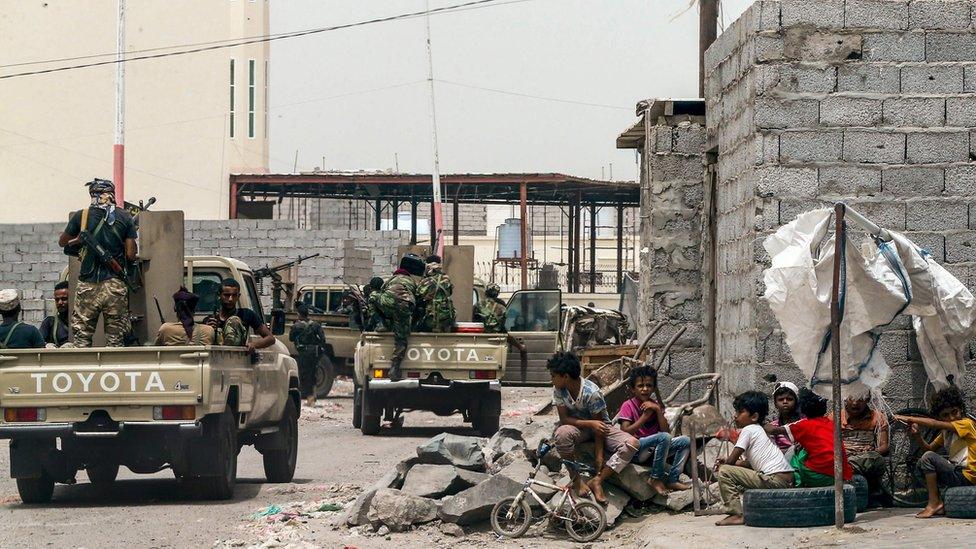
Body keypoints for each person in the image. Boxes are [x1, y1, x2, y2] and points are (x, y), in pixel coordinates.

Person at [548, 351, 638, 505]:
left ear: (565, 377)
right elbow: (564, 419)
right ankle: (576, 479)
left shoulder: (592, 392)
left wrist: (599, 455)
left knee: (632, 443)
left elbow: (600, 428)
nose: (552, 379)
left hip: (601, 428)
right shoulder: (559, 390)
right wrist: (589, 423)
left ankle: (598, 480)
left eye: (553, 375)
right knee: (561, 434)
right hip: (579, 427)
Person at [58, 178, 138, 347]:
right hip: (115, 284)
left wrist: (78, 240)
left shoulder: (82, 216)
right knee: (115, 340)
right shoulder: (125, 216)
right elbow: (131, 255)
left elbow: (63, 242)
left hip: (87, 285)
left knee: (82, 339)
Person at [714, 390, 795, 526]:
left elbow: (731, 462)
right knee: (728, 468)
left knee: (724, 471)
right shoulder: (758, 430)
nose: (735, 416)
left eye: (740, 412)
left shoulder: (749, 429)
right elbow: (753, 464)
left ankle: (736, 514)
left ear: (754, 416)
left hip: (774, 479)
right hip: (785, 479)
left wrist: (726, 463)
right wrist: (735, 463)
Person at [895, 385, 976, 518]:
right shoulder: (946, 432)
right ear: (940, 417)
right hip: (958, 473)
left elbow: (933, 424)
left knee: (928, 458)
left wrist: (909, 418)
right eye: (945, 415)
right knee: (922, 463)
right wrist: (918, 436)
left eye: (954, 412)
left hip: (968, 476)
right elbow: (929, 448)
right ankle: (939, 500)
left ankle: (934, 503)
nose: (951, 418)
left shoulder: (966, 424)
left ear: (961, 410)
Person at [617, 365, 691, 495]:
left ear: (653, 387)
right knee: (663, 438)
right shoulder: (628, 405)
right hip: (637, 450)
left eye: (649, 385)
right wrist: (644, 417)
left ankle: (673, 479)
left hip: (654, 451)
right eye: (640, 386)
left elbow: (666, 432)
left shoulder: (654, 405)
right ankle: (655, 478)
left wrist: (657, 410)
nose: (645, 389)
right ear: (633, 389)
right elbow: (625, 432)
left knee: (685, 441)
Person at [765, 388, 853, 487]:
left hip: (818, 475)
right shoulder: (831, 423)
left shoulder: (803, 424)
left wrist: (758, 423)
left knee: (796, 454)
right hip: (841, 474)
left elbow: (773, 430)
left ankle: (796, 484)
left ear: (801, 406)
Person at [367, 255, 422, 381]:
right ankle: (395, 367)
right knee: (401, 340)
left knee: (373, 297)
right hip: (404, 307)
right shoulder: (412, 282)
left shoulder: (391, 280)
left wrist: (382, 315)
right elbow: (418, 298)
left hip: (388, 303)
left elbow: (380, 292)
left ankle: (380, 323)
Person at [839, 395, 889, 505]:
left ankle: (847, 468)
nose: (855, 403)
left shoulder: (877, 417)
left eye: (860, 399)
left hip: (866, 459)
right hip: (843, 457)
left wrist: (872, 452)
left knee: (875, 459)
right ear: (845, 399)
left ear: (867, 399)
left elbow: (884, 446)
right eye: (851, 398)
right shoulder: (836, 416)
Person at [203, 278, 276, 351]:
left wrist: (253, 344)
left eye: (234, 295)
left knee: (234, 321)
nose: (230, 299)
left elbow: (270, 338)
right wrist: (209, 330)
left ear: (238, 296)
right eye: (227, 295)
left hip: (237, 358)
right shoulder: (211, 320)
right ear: (219, 295)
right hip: (216, 358)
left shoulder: (246, 314)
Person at [289, 301, 326, 407]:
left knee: (304, 375)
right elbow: (323, 339)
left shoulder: (297, 326)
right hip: (314, 353)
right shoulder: (315, 325)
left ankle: (309, 397)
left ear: (298, 314)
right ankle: (313, 396)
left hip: (304, 352)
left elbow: (291, 338)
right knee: (313, 373)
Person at [417, 255, 456, 333]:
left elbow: (418, 294)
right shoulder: (446, 278)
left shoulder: (427, 281)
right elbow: (450, 292)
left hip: (431, 319)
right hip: (446, 317)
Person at [767, 381, 803, 455]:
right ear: (775, 404)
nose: (785, 402)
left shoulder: (804, 423)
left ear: (796, 402)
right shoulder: (773, 427)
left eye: (789, 399)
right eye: (781, 399)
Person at [39, 281, 70, 347]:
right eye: (57, 300)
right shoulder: (49, 322)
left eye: (64, 299)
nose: (60, 303)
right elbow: (38, 343)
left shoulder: (83, 322)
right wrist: (46, 345)